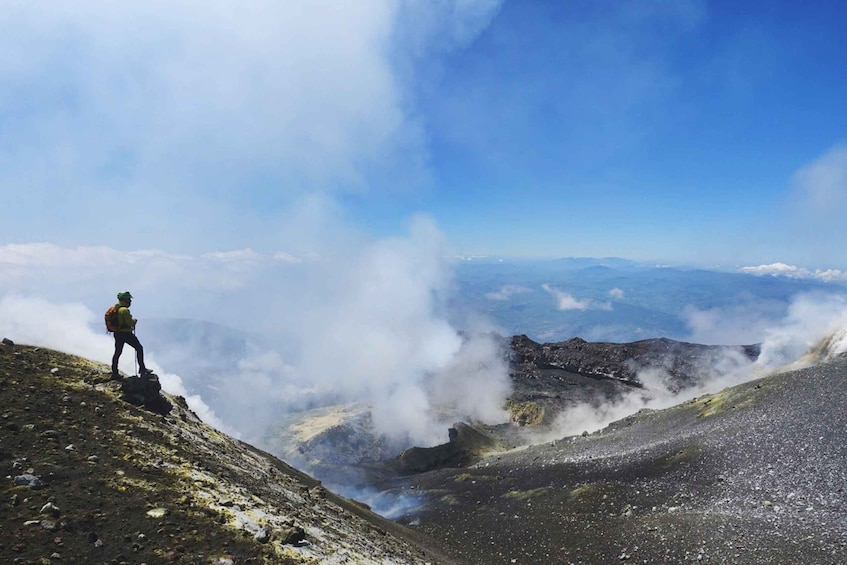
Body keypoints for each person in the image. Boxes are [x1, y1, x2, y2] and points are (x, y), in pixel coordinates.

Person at [110, 291, 151, 380]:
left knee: (117, 352)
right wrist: (134, 321)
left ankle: (114, 372)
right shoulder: (124, 310)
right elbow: (130, 322)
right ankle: (142, 369)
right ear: (125, 299)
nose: (130, 301)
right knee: (139, 348)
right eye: (129, 299)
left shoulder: (116, 308)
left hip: (117, 333)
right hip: (126, 333)